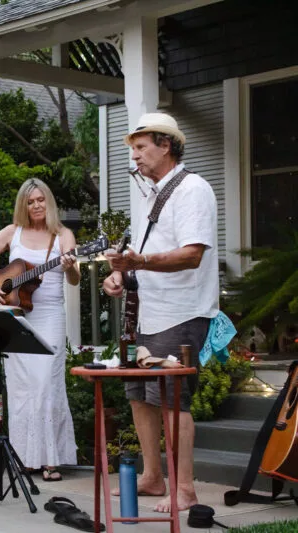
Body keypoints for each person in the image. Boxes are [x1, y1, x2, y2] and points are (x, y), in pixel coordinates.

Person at [103, 112, 218, 513]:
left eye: (141, 147)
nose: (134, 156)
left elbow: (191, 255)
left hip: (182, 312)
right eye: (132, 148)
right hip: (148, 314)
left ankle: (184, 488)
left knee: (172, 401)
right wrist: (120, 277)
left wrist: (139, 262)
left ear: (166, 145)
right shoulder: (151, 195)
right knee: (139, 397)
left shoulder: (193, 189)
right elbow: (143, 258)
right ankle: (153, 477)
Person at [0, 178, 80, 481]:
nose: (36, 206)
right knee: (21, 388)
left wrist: (70, 265)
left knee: (46, 384)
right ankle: (26, 458)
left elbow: (74, 279)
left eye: (40, 200)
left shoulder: (63, 235)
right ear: (23, 205)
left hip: (49, 318)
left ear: (49, 201)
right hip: (17, 317)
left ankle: (50, 460)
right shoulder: (11, 232)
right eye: (30, 202)